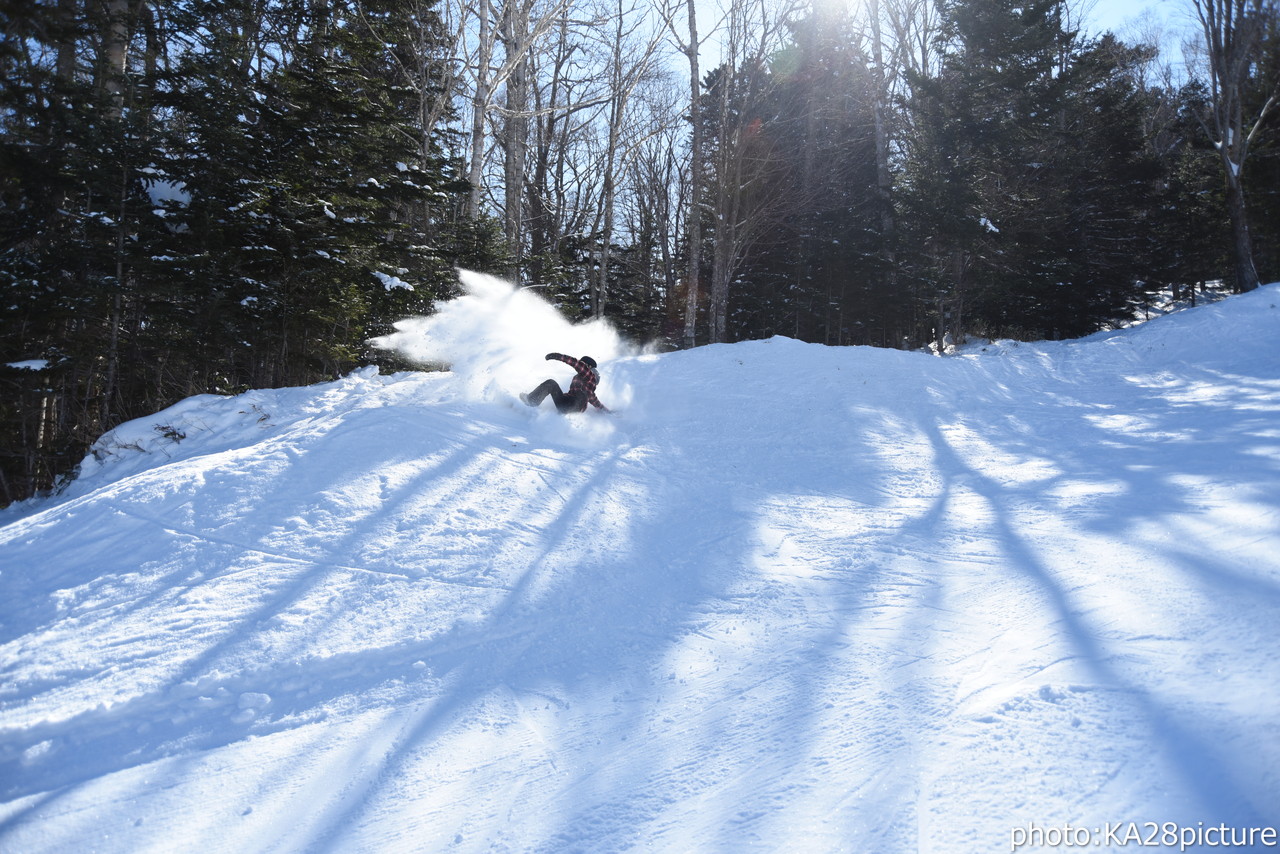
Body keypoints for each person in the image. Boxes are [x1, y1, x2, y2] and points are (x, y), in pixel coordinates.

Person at [521, 353, 609, 414]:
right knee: (551, 384)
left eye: (583, 363)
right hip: (569, 405)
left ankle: (531, 401)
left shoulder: (589, 375)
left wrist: (557, 356)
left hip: (573, 404)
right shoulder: (584, 378)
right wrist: (605, 410)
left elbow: (576, 363)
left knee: (551, 383)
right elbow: (592, 399)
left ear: (588, 366)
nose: (581, 365)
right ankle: (532, 401)